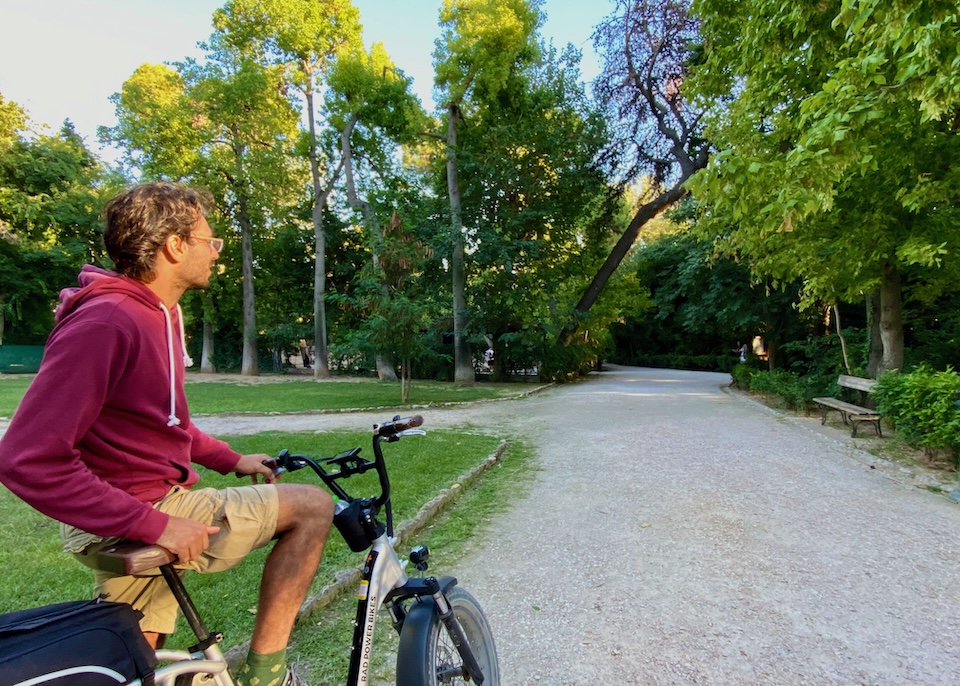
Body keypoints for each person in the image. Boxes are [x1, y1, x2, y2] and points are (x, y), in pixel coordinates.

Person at [0, 182, 332, 686]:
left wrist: (230, 458)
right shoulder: (110, 320)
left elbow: (162, 421)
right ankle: (266, 675)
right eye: (209, 241)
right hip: (136, 509)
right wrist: (156, 526)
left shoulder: (157, 312)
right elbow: (26, 457)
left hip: (140, 501)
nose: (216, 254)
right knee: (312, 507)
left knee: (135, 662)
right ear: (175, 246)